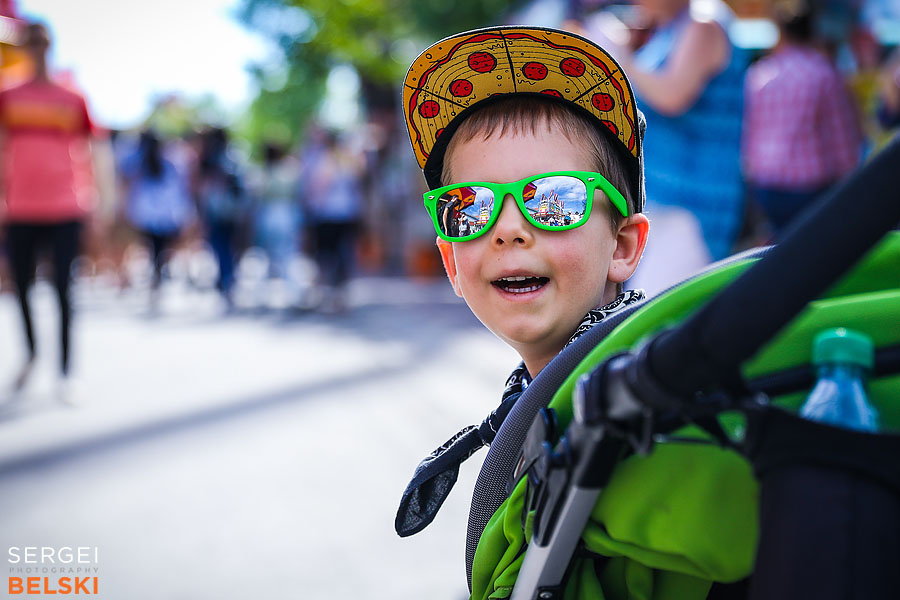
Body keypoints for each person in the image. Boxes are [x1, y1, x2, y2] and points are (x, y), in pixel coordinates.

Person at [395, 25, 649, 543]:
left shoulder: (651, 423)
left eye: (555, 199)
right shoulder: (544, 413)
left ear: (621, 246)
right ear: (451, 262)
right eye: (468, 207)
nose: (509, 229)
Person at [585, 0, 746, 292]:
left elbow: (673, 95)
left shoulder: (703, 24)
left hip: (691, 208)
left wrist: (616, 56)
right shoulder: (676, 25)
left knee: (650, 314)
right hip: (663, 202)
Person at [0, 22, 96, 393]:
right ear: (24, 47)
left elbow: (91, 150)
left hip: (65, 205)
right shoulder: (8, 95)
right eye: (31, 43)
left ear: (51, 46)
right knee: (21, 286)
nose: (38, 49)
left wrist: (99, 202)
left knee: (63, 289)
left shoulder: (72, 96)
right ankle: (31, 354)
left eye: (43, 43)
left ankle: (67, 371)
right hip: (20, 206)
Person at [742, 1, 862, 236]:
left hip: (766, 185)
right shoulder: (823, 73)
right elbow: (842, 136)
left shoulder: (760, 74)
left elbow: (750, 132)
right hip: (811, 188)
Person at [120, 129, 194, 306]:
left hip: (145, 214)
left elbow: (125, 181)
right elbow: (180, 188)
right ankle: (158, 277)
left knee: (152, 249)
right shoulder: (169, 161)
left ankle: (155, 279)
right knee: (160, 250)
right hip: (166, 214)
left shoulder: (137, 161)